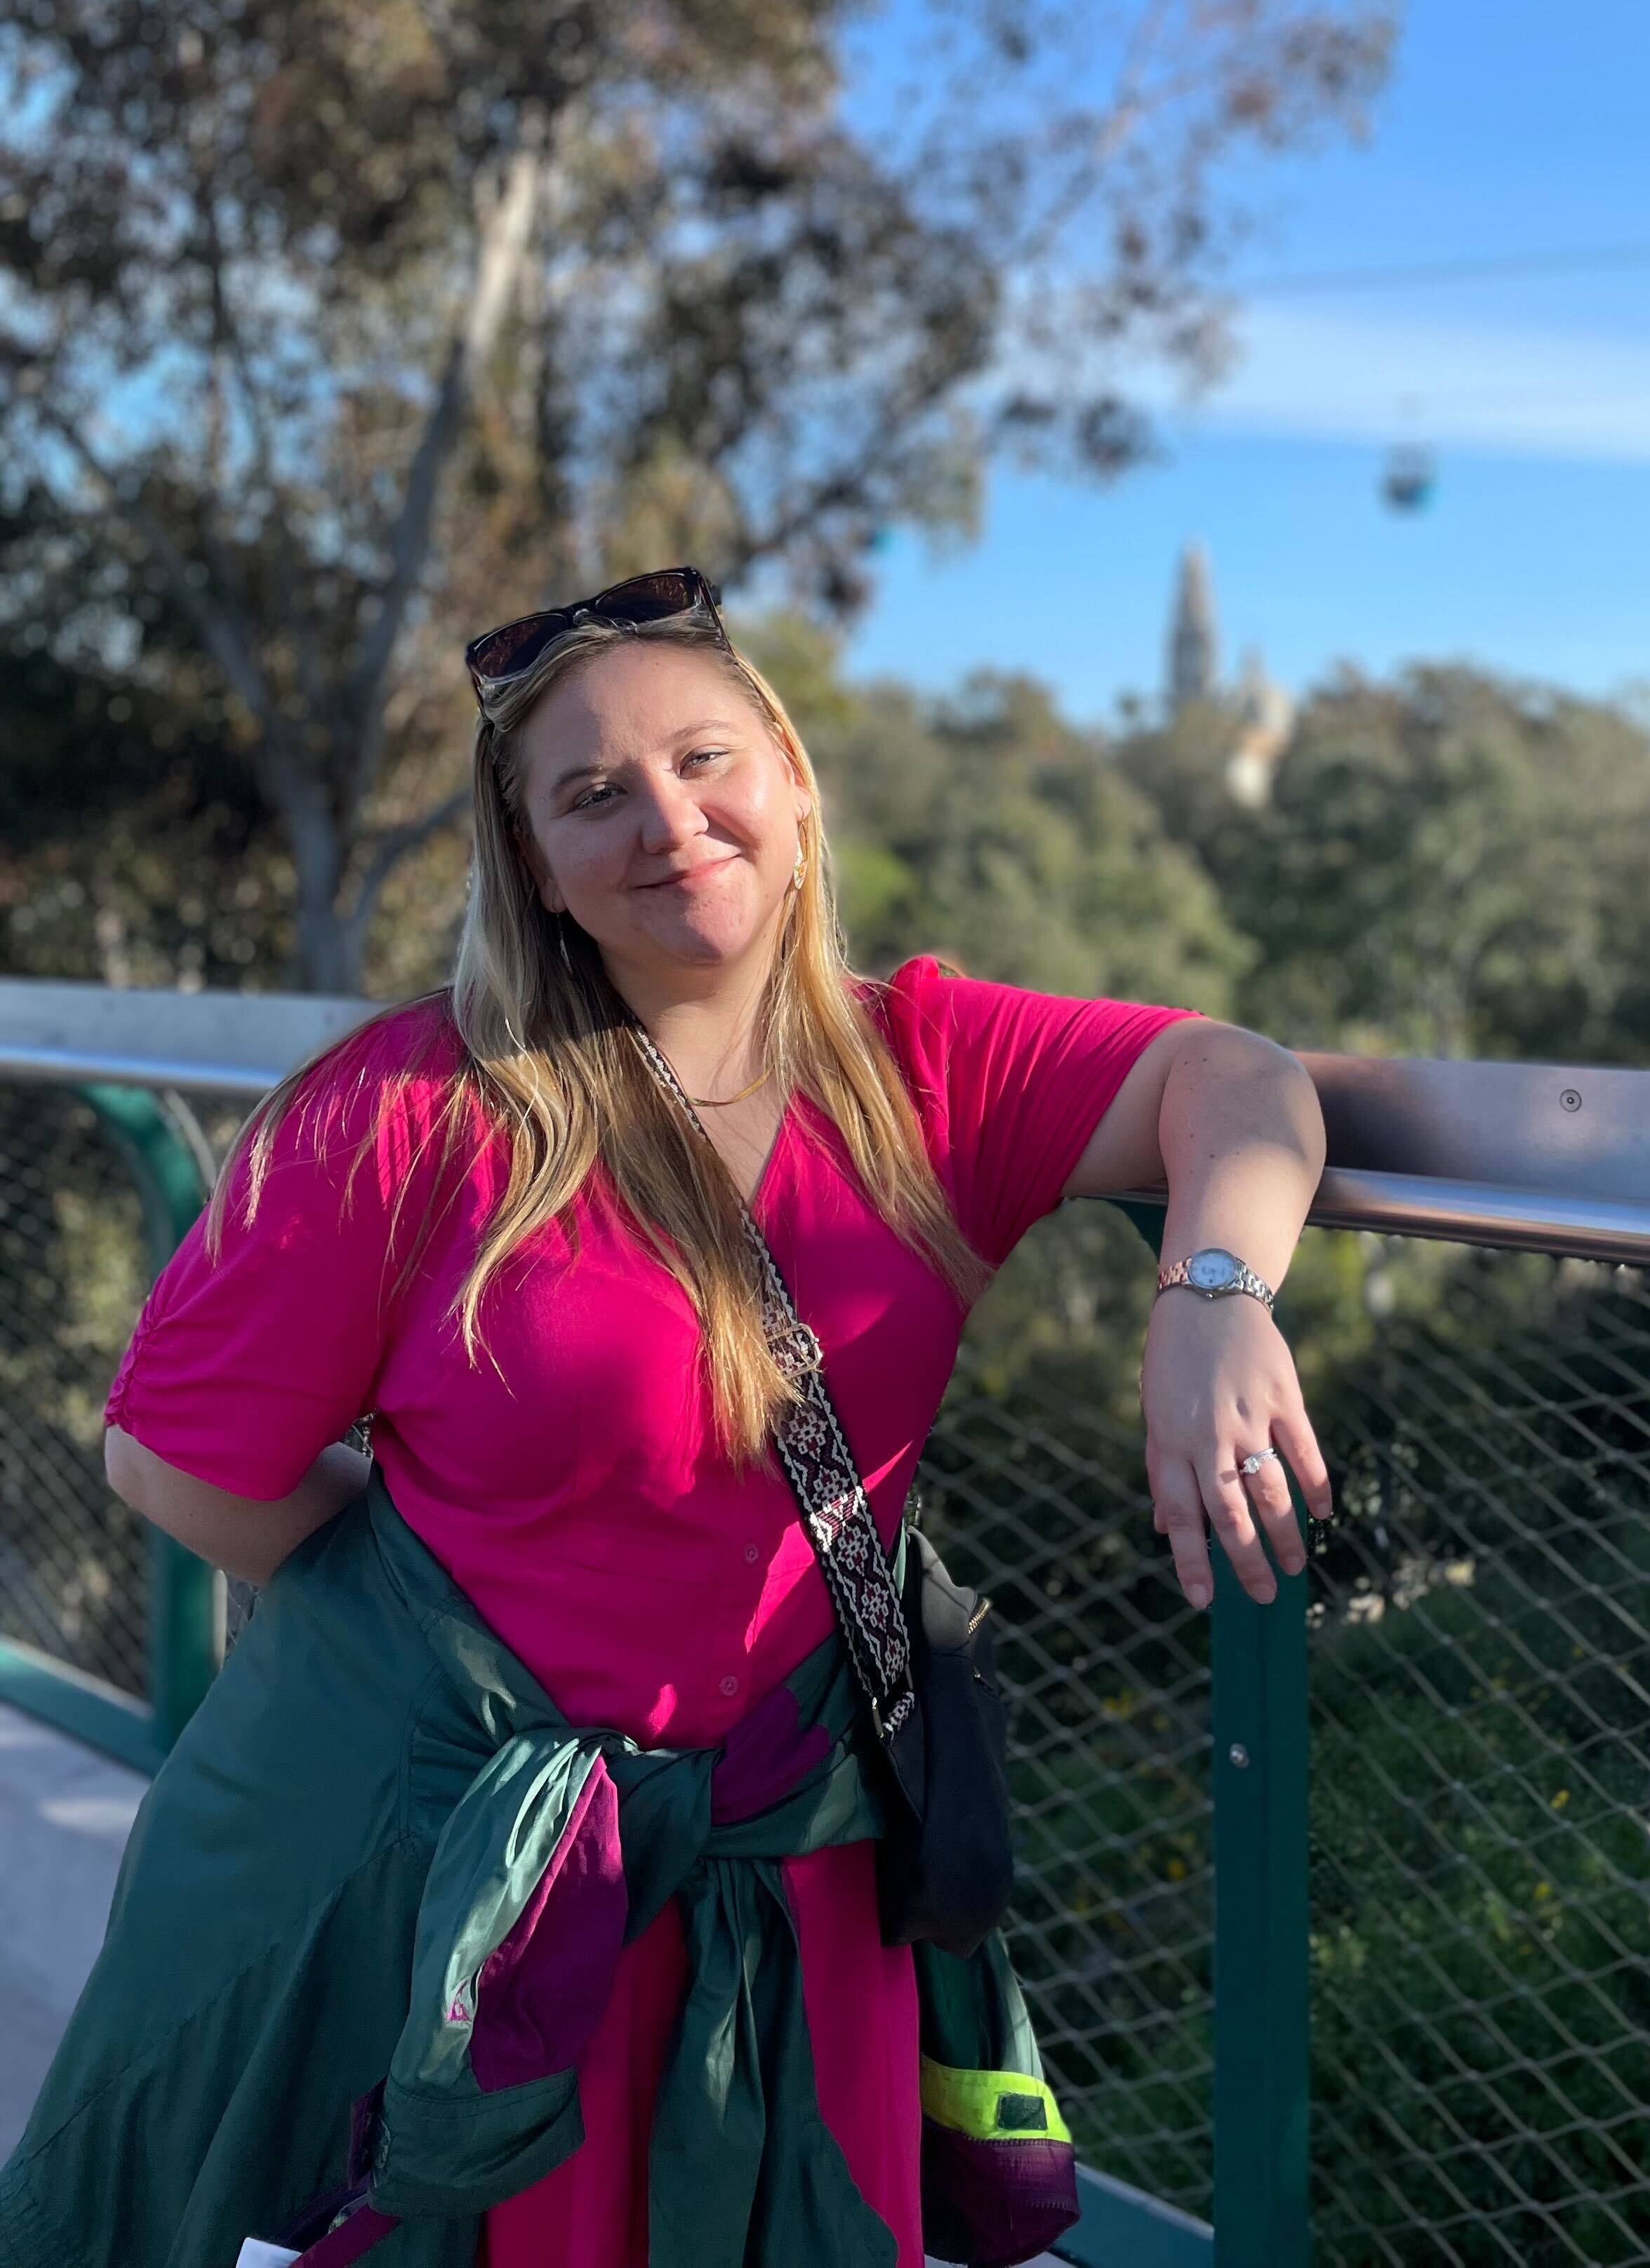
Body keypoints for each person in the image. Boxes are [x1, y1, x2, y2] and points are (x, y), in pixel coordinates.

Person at [3, 566, 1331, 2268]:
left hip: (787, 1881)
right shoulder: (413, 1111)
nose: (669, 822)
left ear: (792, 778)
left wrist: (1211, 1300)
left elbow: (1239, 1076)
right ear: (538, 871)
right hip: (435, 1877)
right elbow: (174, 1459)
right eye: (592, 795)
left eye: (705, 761)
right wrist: (458, 1606)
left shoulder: (928, 1070)